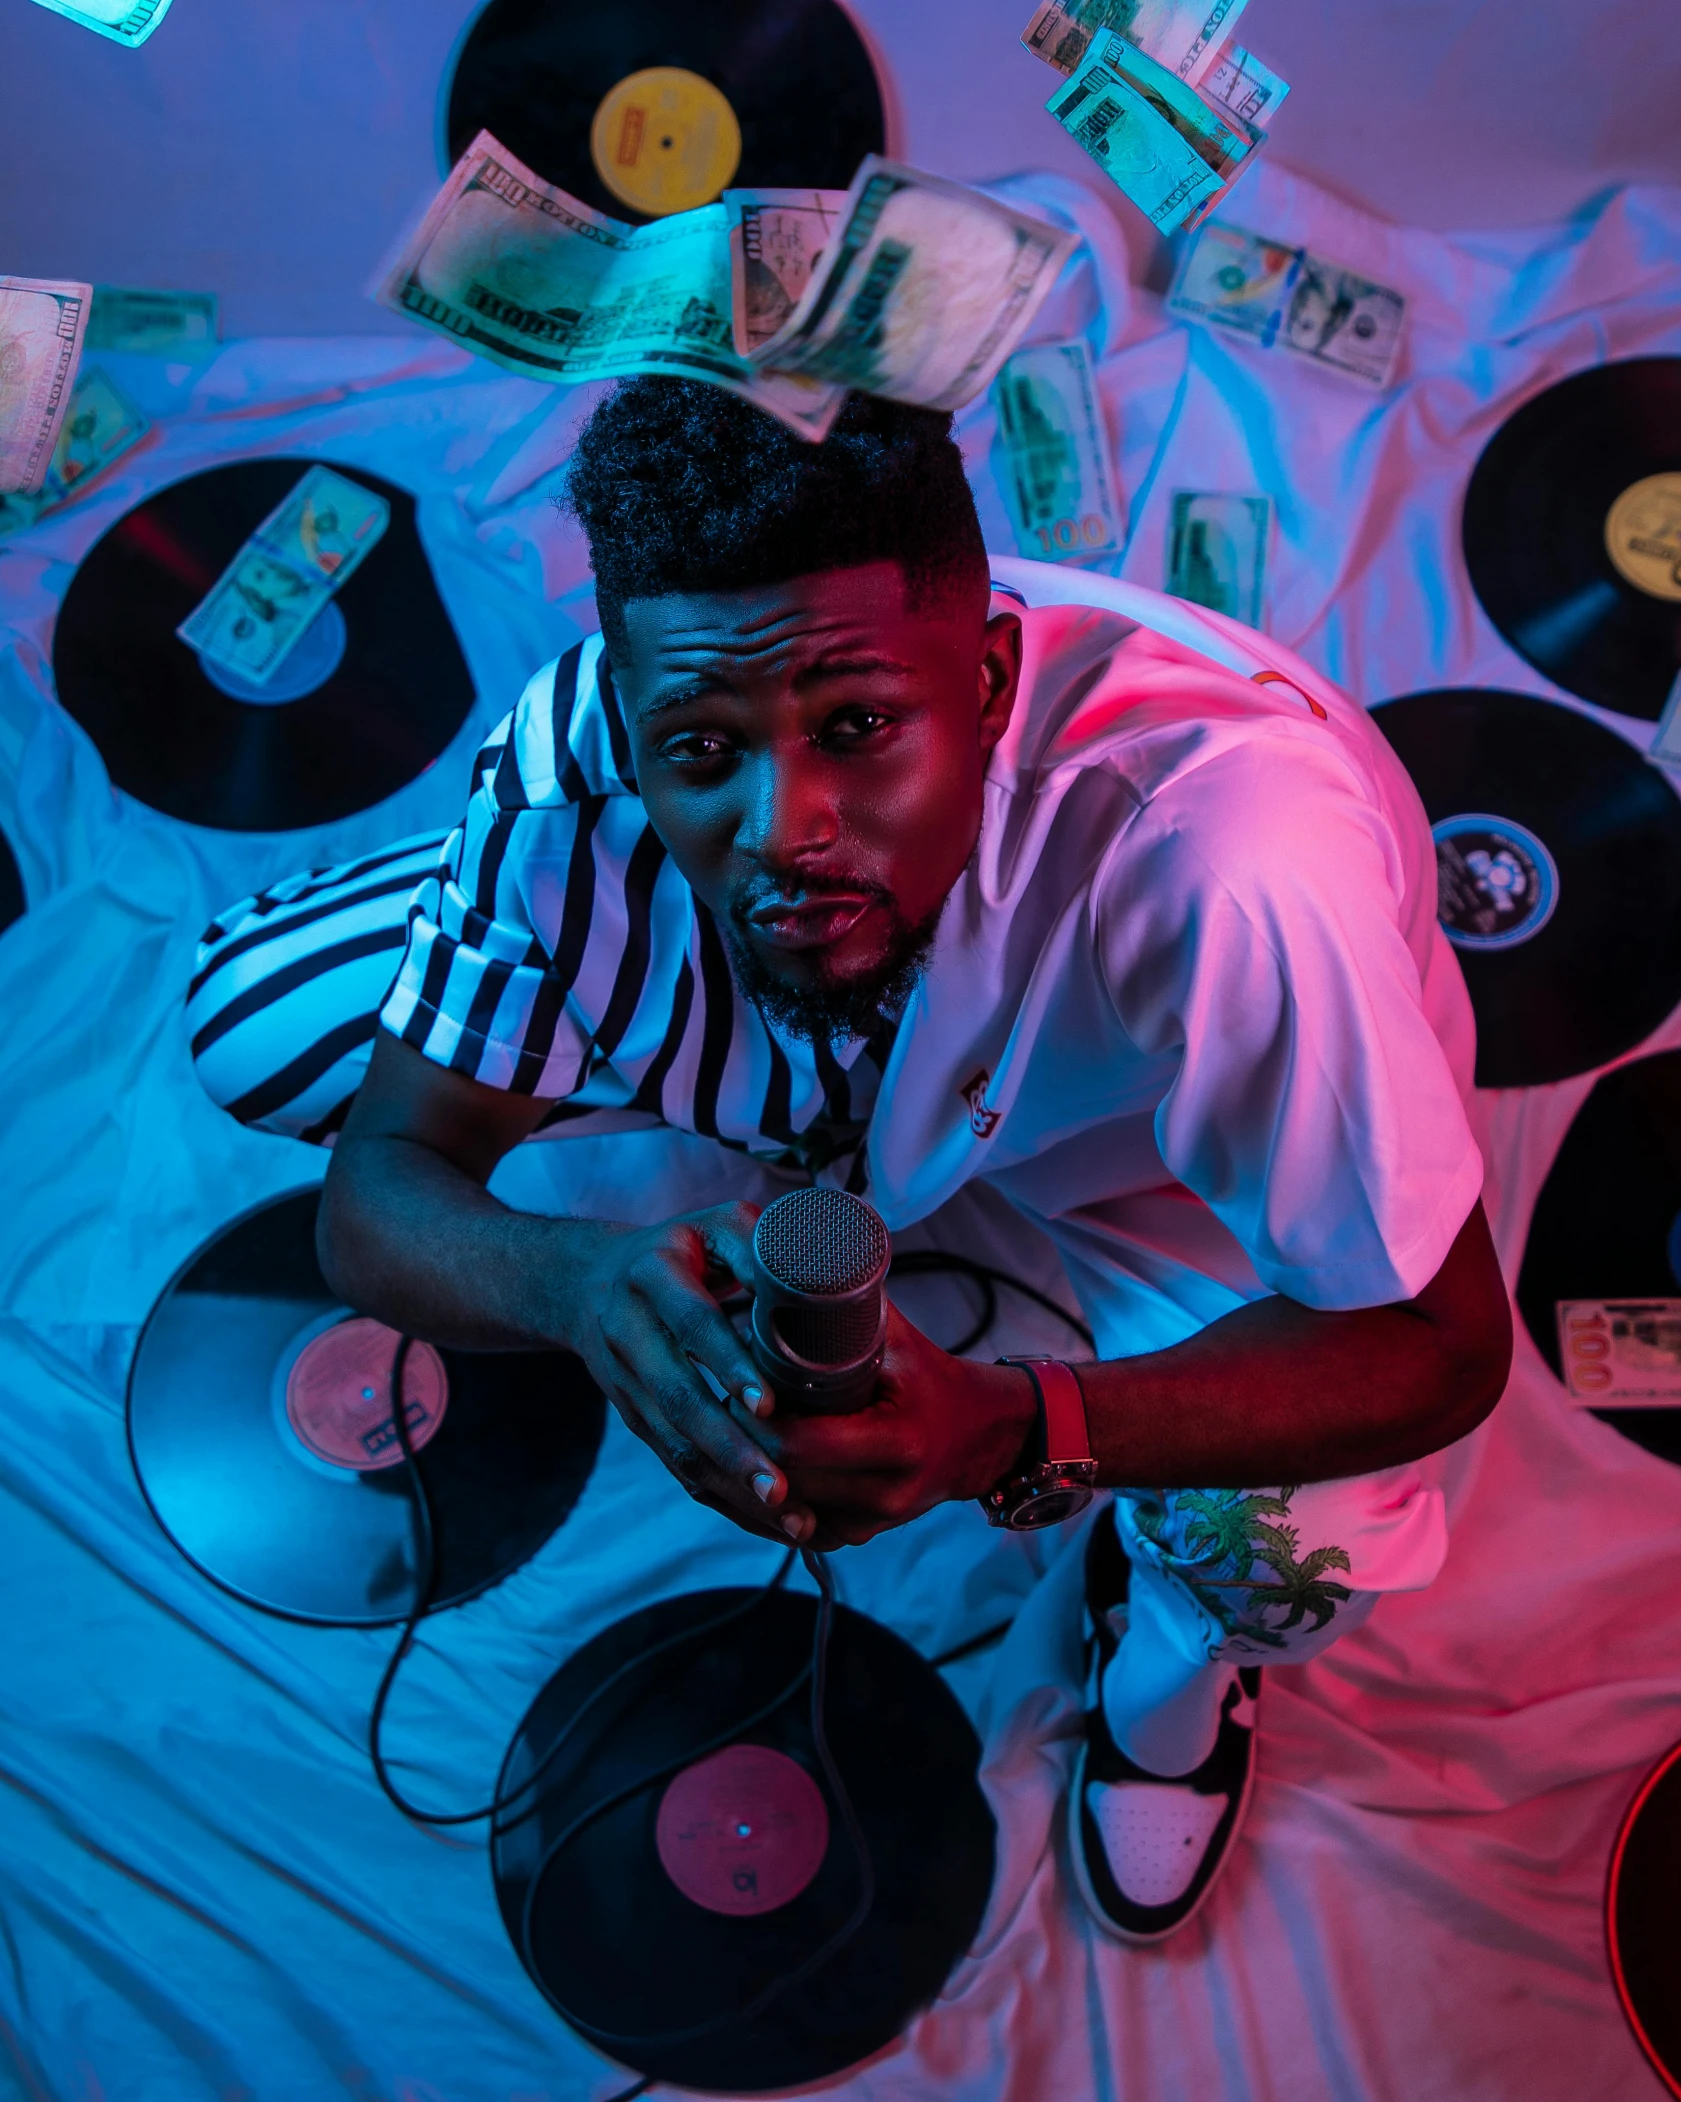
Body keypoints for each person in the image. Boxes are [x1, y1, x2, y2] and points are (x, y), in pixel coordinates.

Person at [186, 381, 1510, 1944]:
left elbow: (1441, 1344)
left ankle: (1169, 1664)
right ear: (629, 705)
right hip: (832, 1052)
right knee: (258, 1023)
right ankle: (738, 1064)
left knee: (1297, 1540)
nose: (786, 828)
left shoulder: (1233, 868)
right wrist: (575, 1282)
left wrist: (1022, 1427)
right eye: (702, 746)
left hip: (1141, 1146)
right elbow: (379, 1193)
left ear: (996, 675)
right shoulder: (579, 757)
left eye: (859, 727)